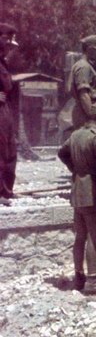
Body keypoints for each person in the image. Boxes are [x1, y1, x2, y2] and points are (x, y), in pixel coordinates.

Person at [57, 101, 96, 294]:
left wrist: (74, 168)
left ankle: (79, 276)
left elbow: (62, 152)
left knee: (80, 235)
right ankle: (92, 280)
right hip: (93, 190)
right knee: (93, 235)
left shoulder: (76, 134)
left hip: (78, 190)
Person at [69, 35, 96, 130]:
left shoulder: (84, 65)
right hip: (85, 116)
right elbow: (84, 94)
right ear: (89, 49)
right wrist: (92, 117)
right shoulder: (83, 67)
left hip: (84, 113)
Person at [0, 22, 18, 203]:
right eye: (6, 39)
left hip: (5, 110)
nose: (9, 45)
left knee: (10, 149)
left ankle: (6, 190)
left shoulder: (3, 62)